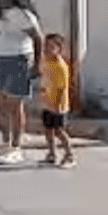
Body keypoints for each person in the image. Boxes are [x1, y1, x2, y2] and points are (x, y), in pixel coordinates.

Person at [0, 0, 43, 164]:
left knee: (14, 104)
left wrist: (37, 64)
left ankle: (16, 146)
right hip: (1, 57)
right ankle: (5, 142)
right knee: (0, 103)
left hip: (18, 58)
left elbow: (37, 38)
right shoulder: (0, 13)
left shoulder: (23, 15)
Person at [38, 33, 77, 168]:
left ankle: (69, 155)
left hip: (58, 105)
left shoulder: (61, 66)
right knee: (47, 129)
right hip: (47, 103)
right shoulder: (45, 61)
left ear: (59, 49)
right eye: (46, 46)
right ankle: (51, 154)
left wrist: (58, 106)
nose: (47, 49)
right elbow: (44, 78)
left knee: (59, 131)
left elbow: (62, 88)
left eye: (51, 47)